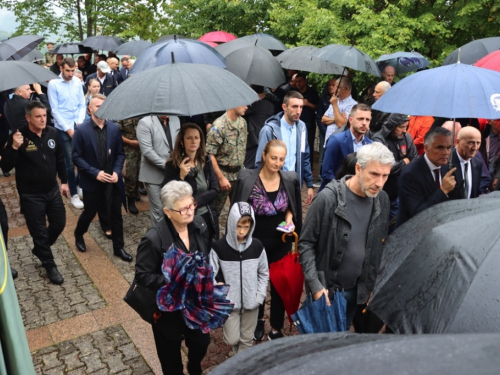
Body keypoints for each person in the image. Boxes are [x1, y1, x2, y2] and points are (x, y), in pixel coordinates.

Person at [298, 143, 394, 329]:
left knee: (340, 337)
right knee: (320, 343)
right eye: (374, 174)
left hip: (358, 292)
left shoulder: (382, 200)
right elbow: (306, 244)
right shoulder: (327, 199)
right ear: (358, 168)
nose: (380, 183)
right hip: (327, 293)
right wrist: (316, 286)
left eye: (385, 176)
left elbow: (378, 245)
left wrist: (372, 284)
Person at [135, 181, 211, 375]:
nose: (189, 211)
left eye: (191, 205)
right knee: (171, 362)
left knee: (202, 342)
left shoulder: (200, 225)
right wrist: (174, 280)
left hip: (195, 304)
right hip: (168, 312)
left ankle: (194, 365)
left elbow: (206, 256)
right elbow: (142, 276)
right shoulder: (154, 239)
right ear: (168, 212)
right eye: (182, 209)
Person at [231, 139, 303, 341]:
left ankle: (277, 327)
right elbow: (237, 209)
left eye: (281, 159)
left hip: (281, 240)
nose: (277, 163)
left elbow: (292, 206)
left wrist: (289, 219)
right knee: (257, 285)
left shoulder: (289, 178)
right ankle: (258, 320)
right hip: (255, 241)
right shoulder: (247, 178)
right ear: (263, 155)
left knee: (280, 286)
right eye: (273, 158)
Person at [0, 102, 69, 284]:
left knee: (59, 223)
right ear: (28, 118)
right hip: (31, 196)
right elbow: (6, 166)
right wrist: (14, 147)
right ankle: (50, 265)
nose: (43, 119)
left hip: (52, 190)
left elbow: (60, 158)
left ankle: (41, 248)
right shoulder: (17, 137)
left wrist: (65, 181)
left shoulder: (52, 133)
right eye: (38, 116)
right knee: (38, 233)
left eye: (45, 116)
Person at [72, 94, 132, 262]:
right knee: (90, 212)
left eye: (103, 106)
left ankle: (119, 248)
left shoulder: (114, 129)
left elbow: (120, 154)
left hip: (112, 180)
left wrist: (117, 171)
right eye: (97, 106)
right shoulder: (81, 130)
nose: (101, 108)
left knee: (116, 215)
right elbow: (76, 157)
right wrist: (94, 173)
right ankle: (78, 233)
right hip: (92, 181)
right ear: (89, 109)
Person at [209, 202, 268, 354]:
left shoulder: (257, 246)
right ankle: (236, 349)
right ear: (231, 223)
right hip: (230, 305)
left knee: (247, 340)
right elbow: (210, 273)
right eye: (238, 226)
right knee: (232, 339)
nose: (242, 231)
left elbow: (263, 272)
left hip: (252, 303)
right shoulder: (219, 247)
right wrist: (220, 293)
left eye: (246, 227)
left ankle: (241, 364)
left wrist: (259, 296)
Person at [255, 91, 314, 205]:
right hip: (273, 185)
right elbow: (259, 162)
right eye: (295, 106)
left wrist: (310, 185)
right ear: (284, 107)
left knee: (291, 220)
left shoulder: (301, 127)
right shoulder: (269, 130)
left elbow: (304, 156)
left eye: (301, 107)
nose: (298, 111)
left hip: (294, 184)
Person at [164, 123, 220, 241]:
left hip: (207, 214)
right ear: (182, 141)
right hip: (185, 218)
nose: (193, 141)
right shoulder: (172, 165)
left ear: (201, 141)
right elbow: (168, 197)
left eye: (196, 137)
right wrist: (181, 177)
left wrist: (194, 201)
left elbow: (215, 189)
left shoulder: (207, 161)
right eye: (189, 138)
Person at [396, 127, 458, 228]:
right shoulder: (410, 173)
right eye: (440, 147)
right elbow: (418, 214)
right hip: (413, 233)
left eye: (449, 147)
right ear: (426, 148)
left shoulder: (448, 167)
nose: (446, 152)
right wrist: (442, 191)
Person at [47, 57, 86, 209]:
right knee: (69, 162)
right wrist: (69, 129)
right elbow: (55, 110)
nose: (71, 74)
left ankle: (79, 185)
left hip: (78, 123)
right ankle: (74, 194)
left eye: (73, 70)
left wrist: (80, 123)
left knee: (81, 158)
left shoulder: (77, 82)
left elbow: (82, 104)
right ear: (61, 68)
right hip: (63, 127)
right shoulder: (54, 84)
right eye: (68, 71)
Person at [372, 113, 418, 227]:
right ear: (392, 126)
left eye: (406, 126)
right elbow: (384, 166)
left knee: (396, 227)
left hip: (401, 191)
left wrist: (399, 164)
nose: (404, 130)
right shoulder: (379, 139)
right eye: (401, 127)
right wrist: (404, 162)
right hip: (383, 192)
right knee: (380, 226)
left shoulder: (407, 137)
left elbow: (415, 160)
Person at [137, 115, 181, 225]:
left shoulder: (175, 119)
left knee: (173, 207)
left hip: (174, 173)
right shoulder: (145, 122)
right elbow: (147, 151)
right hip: (154, 175)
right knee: (158, 210)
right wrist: (168, 165)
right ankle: (160, 238)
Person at [206, 106, 248, 219]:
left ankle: (234, 235)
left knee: (239, 212)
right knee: (214, 213)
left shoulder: (243, 123)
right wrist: (220, 178)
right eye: (244, 103)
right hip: (222, 174)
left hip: (239, 174)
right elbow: (210, 154)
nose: (247, 107)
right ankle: (213, 236)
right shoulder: (219, 126)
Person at [320, 103, 373, 190]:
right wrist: (344, 190)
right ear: (350, 120)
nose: (364, 123)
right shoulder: (336, 140)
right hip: (335, 192)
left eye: (367, 120)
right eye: (360, 119)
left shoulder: (370, 145)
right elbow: (326, 172)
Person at [244, 85, 275, 169]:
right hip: (265, 138)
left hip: (253, 139)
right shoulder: (271, 104)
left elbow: (243, 112)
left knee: (248, 165)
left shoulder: (255, 104)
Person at [315, 78, 337, 188]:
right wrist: (325, 131)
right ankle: (320, 177)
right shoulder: (323, 99)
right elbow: (320, 118)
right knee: (322, 155)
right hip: (324, 132)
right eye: (329, 85)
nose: (330, 87)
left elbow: (344, 119)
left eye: (333, 85)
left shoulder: (340, 101)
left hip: (336, 133)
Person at [321, 77, 357, 146]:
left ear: (346, 88)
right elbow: (323, 119)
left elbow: (341, 124)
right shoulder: (335, 100)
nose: (335, 89)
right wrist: (336, 119)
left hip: (340, 144)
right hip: (328, 142)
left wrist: (335, 105)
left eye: (338, 87)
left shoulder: (353, 104)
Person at [294, 73, 319, 165]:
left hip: (309, 125)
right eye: (296, 82)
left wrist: (307, 103)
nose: (298, 84)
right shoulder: (294, 92)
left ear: (305, 81)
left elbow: (317, 107)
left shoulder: (312, 92)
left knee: (308, 148)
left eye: (300, 81)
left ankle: (308, 169)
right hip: (295, 123)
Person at [118, 117, 142, 215]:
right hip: (129, 151)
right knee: (130, 176)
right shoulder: (121, 117)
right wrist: (131, 142)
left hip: (142, 150)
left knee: (140, 174)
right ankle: (130, 200)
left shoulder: (141, 115)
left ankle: (136, 190)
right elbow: (117, 135)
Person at [451, 127, 483, 199]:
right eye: (471, 142)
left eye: (478, 143)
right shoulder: (446, 163)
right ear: (457, 142)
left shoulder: (477, 163)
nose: (475, 147)